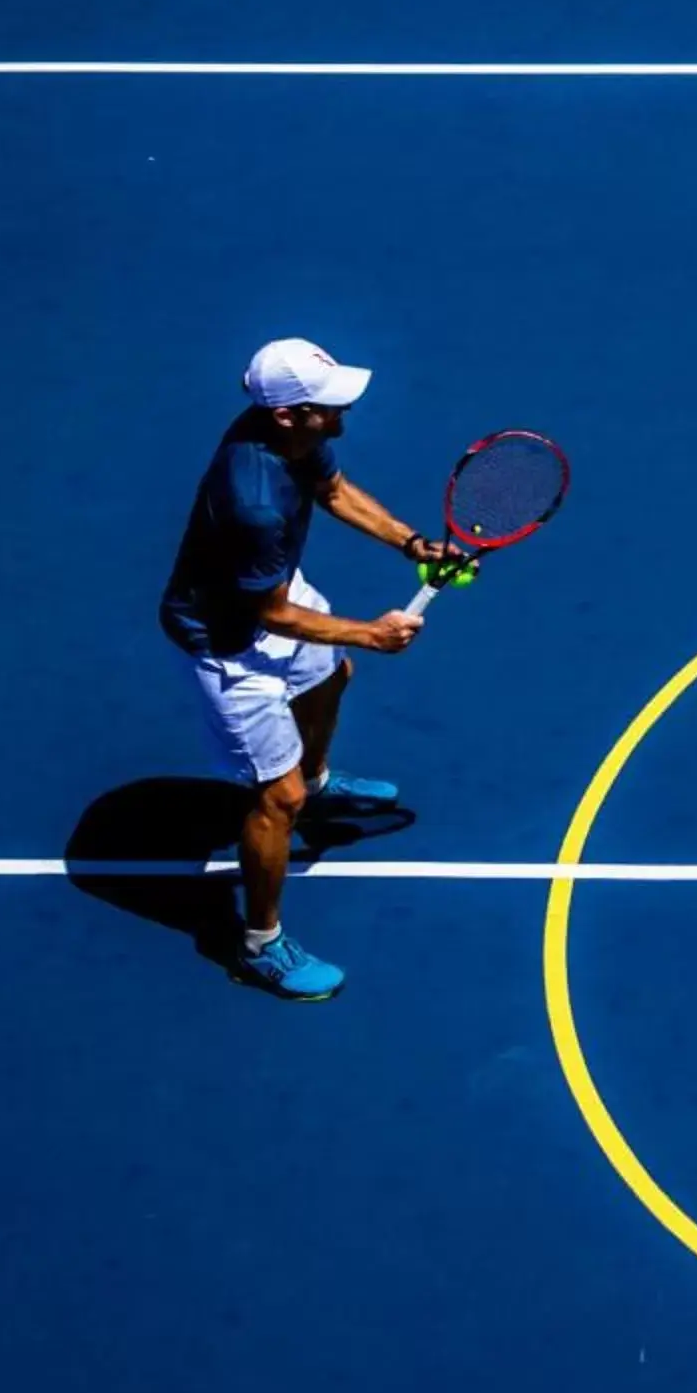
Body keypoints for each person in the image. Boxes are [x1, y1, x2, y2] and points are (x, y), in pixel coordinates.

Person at [159, 339, 466, 1000]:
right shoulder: (254, 503)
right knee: (278, 798)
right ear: (288, 415)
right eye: (327, 406)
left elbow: (333, 488)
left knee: (333, 677)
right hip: (227, 638)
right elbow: (271, 615)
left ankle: (320, 781)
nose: (343, 412)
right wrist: (372, 632)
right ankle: (259, 946)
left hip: (272, 595)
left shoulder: (293, 439)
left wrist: (413, 543)